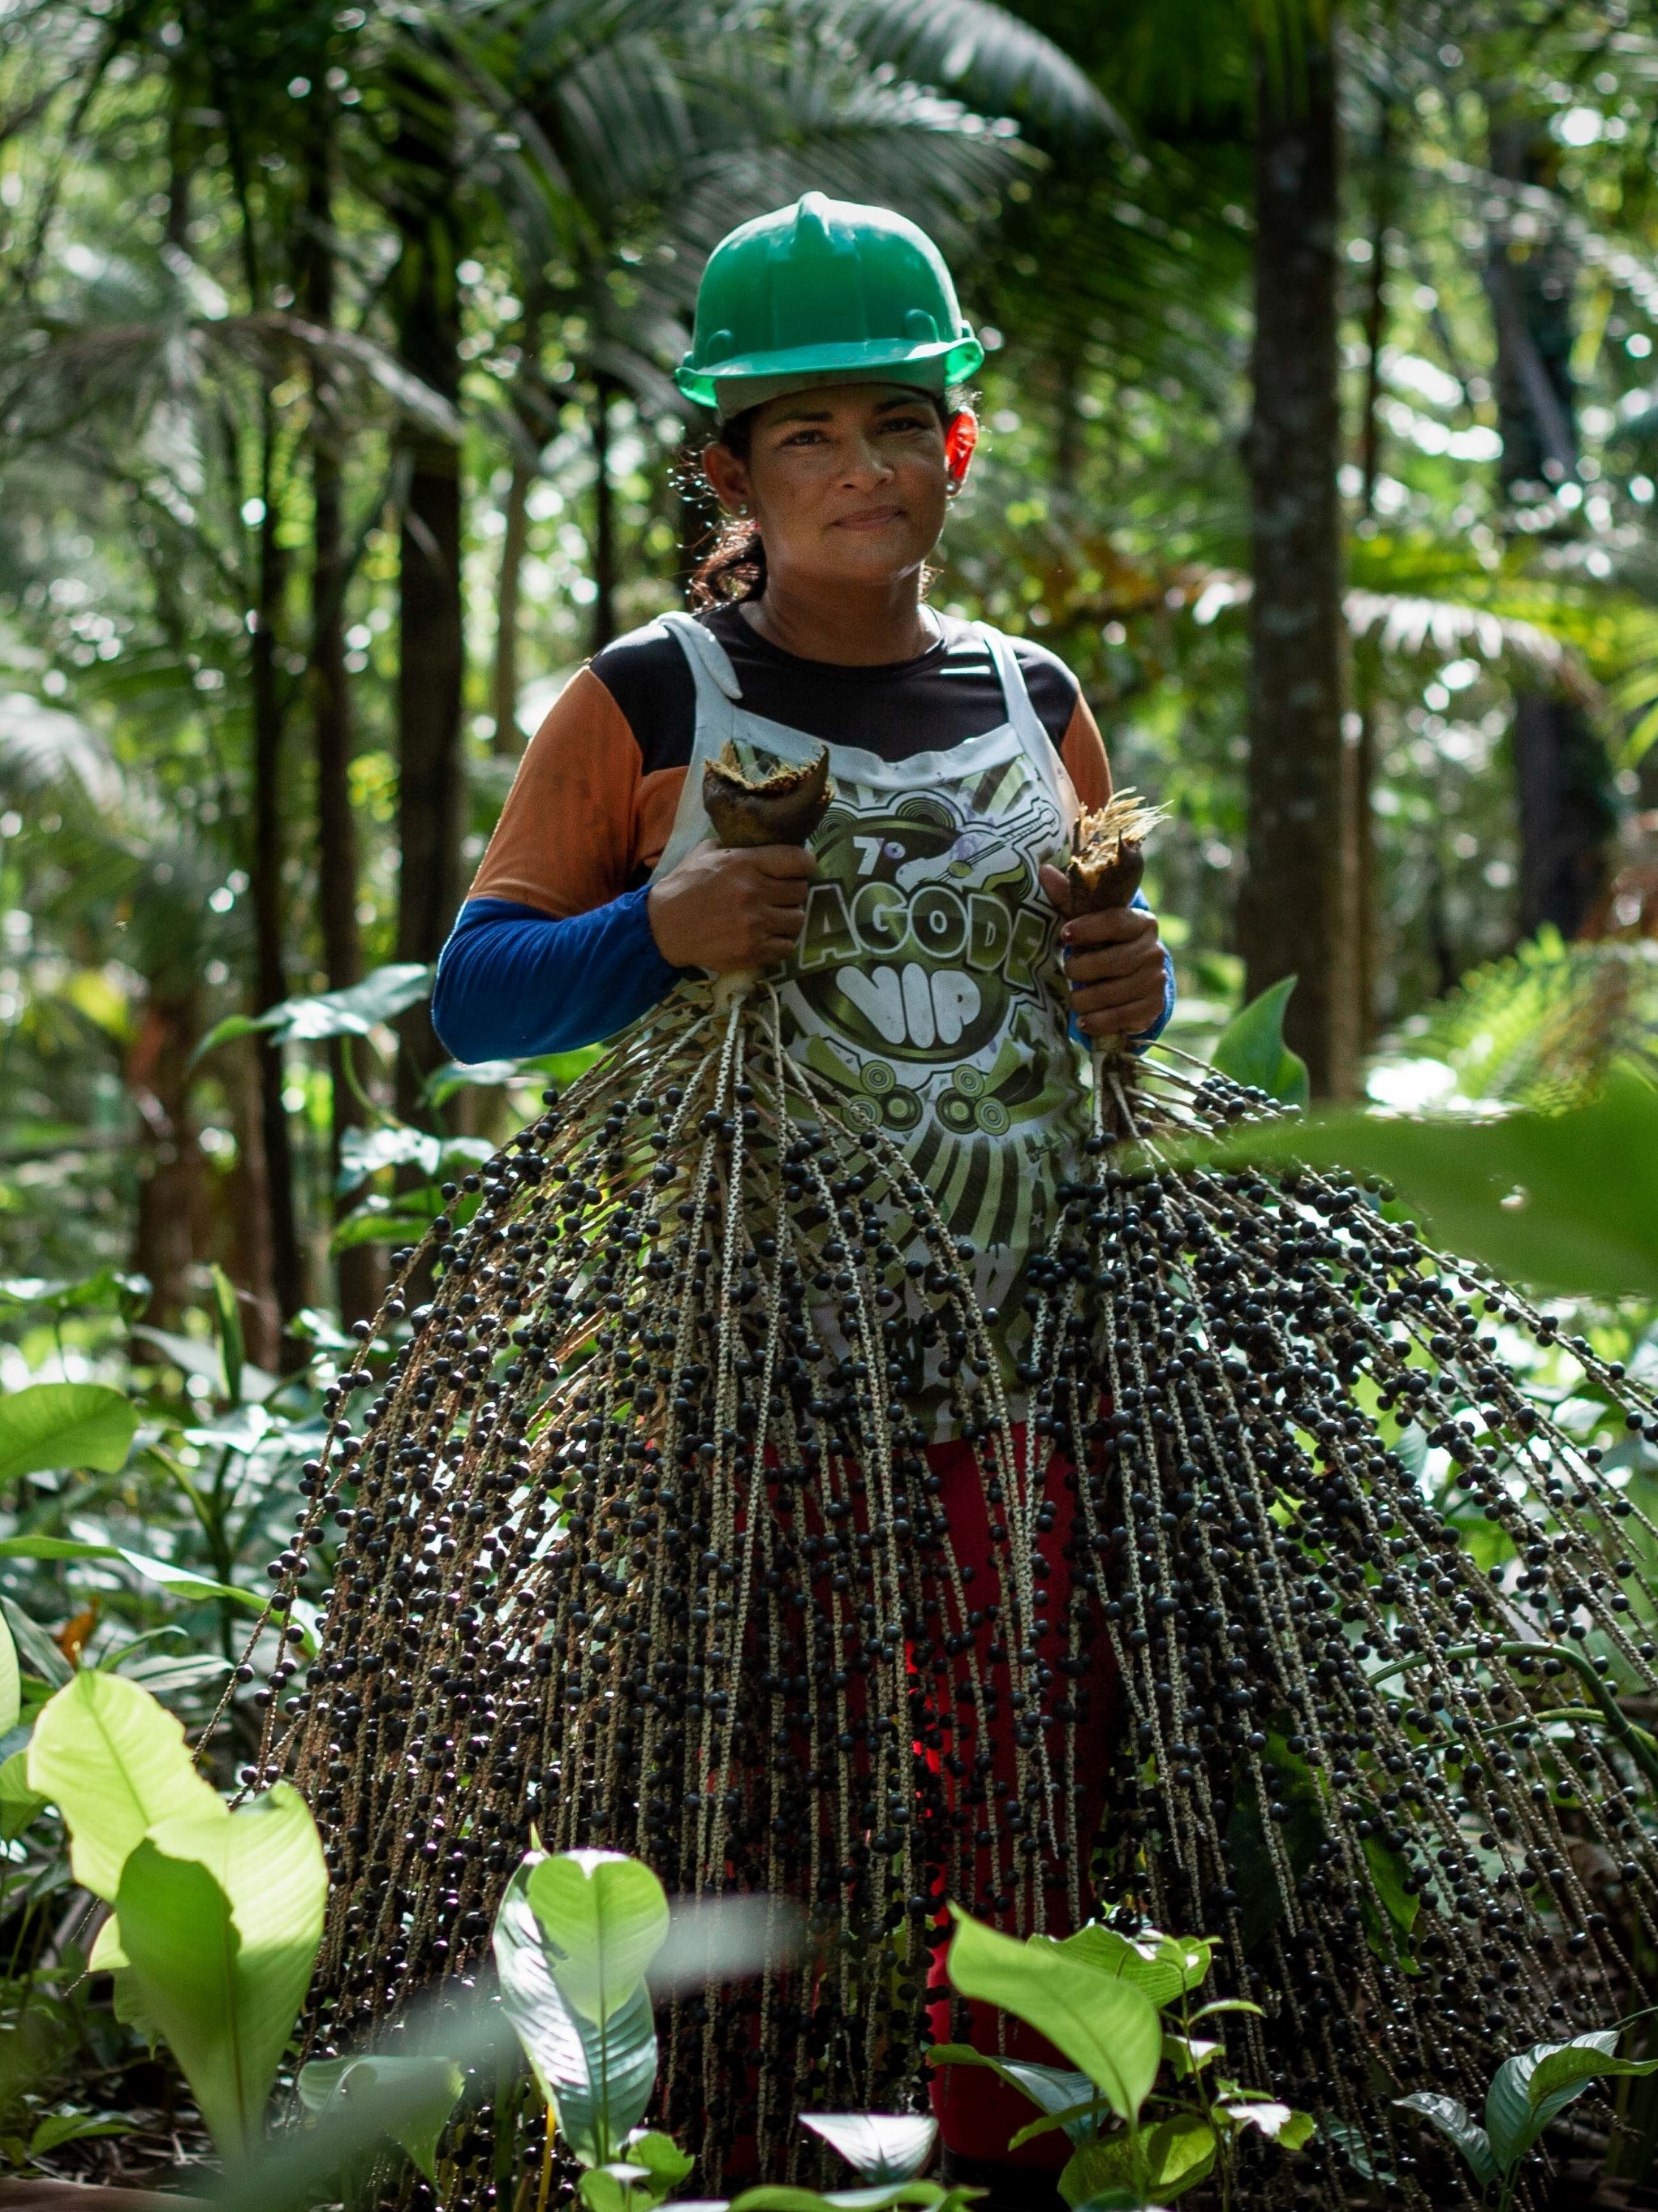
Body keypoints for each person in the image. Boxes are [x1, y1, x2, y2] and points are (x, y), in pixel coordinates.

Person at [433, 192, 1174, 2204]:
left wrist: (1137, 981)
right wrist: (652, 930)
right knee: (752, 1803)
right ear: (731, 471)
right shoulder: (651, 700)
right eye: (805, 433)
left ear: (953, 446)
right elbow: (474, 996)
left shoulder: (1031, 699)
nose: (860, 466)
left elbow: (1112, 970)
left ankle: (1002, 2166)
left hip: (1028, 1370)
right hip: (753, 1381)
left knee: (1016, 1807)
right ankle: (726, 2165)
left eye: (896, 422)